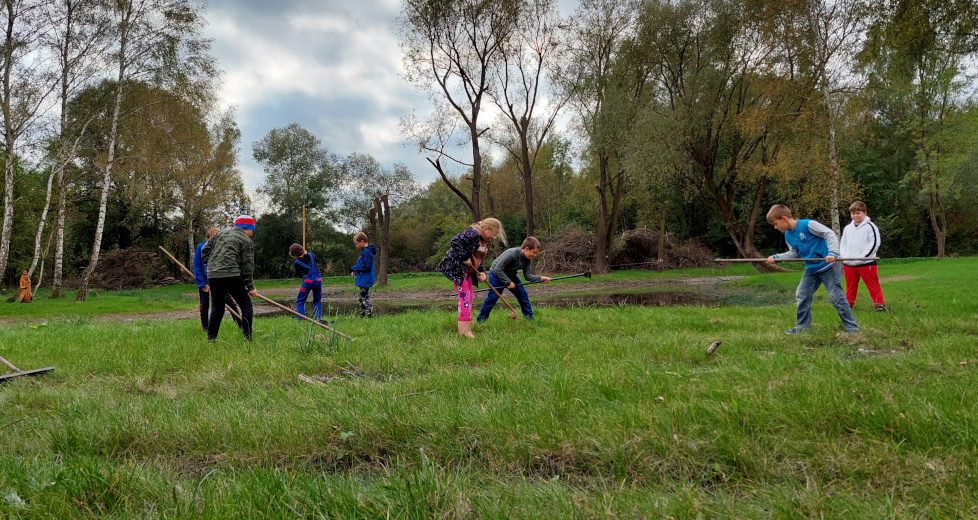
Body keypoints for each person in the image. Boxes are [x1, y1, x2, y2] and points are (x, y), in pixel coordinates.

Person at [765, 204, 859, 334]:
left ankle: (852, 328)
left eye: (776, 224)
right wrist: (778, 257)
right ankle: (802, 327)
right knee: (802, 295)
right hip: (811, 269)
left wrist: (832, 253)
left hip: (829, 267)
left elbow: (829, 234)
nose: (776, 227)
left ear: (784, 218)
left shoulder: (808, 225)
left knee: (835, 297)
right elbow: (795, 253)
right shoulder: (788, 235)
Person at [437, 218, 507, 338]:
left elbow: (478, 257)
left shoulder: (485, 240)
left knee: (470, 295)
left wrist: (481, 272)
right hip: (456, 267)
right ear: (486, 229)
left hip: (467, 270)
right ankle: (464, 331)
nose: (492, 238)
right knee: (465, 295)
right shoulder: (473, 233)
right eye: (492, 235)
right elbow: (455, 242)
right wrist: (465, 257)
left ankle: (466, 325)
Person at [202, 215, 258, 342]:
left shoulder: (219, 234)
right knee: (246, 305)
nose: (252, 233)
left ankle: (211, 340)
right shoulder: (246, 240)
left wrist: (211, 265)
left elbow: (204, 250)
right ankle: (248, 339)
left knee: (217, 308)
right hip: (231, 274)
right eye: (252, 230)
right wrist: (251, 287)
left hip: (213, 275)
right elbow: (247, 266)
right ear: (247, 228)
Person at [476, 236, 552, 322]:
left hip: (511, 275)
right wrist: (508, 282)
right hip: (496, 275)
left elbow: (527, 276)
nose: (535, 255)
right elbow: (498, 269)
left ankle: (529, 318)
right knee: (492, 298)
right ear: (527, 249)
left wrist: (541, 278)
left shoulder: (527, 259)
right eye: (534, 252)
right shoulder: (511, 254)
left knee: (523, 295)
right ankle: (481, 320)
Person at [840, 201, 886, 312]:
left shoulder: (871, 227)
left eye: (858, 213)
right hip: (849, 263)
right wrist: (844, 256)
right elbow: (843, 243)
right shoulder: (847, 228)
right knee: (850, 286)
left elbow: (874, 243)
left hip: (866, 263)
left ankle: (879, 304)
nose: (855, 216)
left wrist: (862, 257)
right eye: (853, 213)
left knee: (873, 285)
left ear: (864, 213)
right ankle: (848, 305)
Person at [194, 226, 242, 331]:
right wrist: (203, 284)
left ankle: (240, 324)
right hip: (205, 283)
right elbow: (197, 267)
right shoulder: (200, 247)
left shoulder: (222, 248)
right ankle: (205, 328)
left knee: (230, 303)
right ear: (208, 239)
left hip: (220, 281)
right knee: (205, 305)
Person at [289, 243, 323, 320]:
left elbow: (300, 275)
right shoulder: (311, 255)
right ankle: (317, 318)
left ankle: (301, 318)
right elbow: (317, 260)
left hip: (308, 282)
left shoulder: (296, 263)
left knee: (300, 300)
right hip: (318, 280)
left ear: (294, 254)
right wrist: (306, 254)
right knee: (317, 300)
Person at [349, 232, 377, 318]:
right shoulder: (364, 252)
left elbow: (366, 266)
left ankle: (369, 316)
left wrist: (355, 268)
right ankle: (362, 316)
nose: (356, 246)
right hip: (362, 279)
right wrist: (355, 271)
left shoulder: (367, 252)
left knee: (365, 298)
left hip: (365, 279)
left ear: (362, 241)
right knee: (361, 298)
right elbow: (362, 265)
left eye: (357, 244)